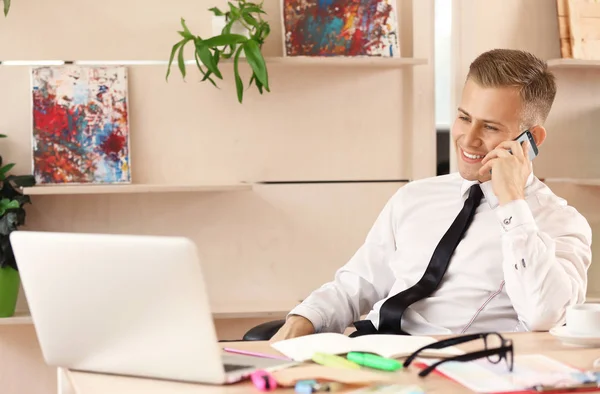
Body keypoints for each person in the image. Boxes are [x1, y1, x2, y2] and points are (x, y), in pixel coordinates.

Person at [270, 48, 592, 341]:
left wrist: (513, 206)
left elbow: (545, 315)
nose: (468, 139)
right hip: (371, 354)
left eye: (490, 127)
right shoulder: (415, 197)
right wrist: (306, 317)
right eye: (464, 118)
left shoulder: (560, 223)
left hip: (454, 368)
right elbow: (358, 284)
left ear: (531, 139)